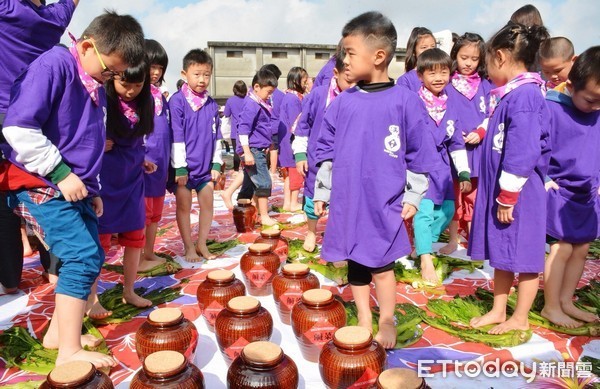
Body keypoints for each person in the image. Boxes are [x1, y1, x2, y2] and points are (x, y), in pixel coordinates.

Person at [1, 10, 145, 367]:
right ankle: (69, 352)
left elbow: (86, 142)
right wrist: (62, 172)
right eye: (109, 70)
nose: (111, 78)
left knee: (90, 257)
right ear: (86, 46)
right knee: (80, 257)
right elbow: (19, 130)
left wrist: (92, 188)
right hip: (41, 180)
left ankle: (57, 334)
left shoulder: (91, 83)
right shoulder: (54, 66)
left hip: (72, 185)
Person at [314, 11, 438, 349]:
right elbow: (324, 152)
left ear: (379, 56)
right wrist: (322, 191)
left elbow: (419, 154)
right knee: (355, 262)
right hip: (348, 201)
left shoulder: (404, 101)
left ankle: (386, 319)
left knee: (382, 265)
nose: (344, 60)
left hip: (384, 201)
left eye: (350, 53)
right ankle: (365, 318)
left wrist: (413, 197)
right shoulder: (343, 104)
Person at [468, 22, 551, 334]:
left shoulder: (526, 96)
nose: (486, 70)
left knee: (525, 257)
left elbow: (523, 150)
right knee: (503, 252)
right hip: (506, 194)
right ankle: (499, 308)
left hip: (520, 195)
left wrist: (508, 196)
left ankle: (521, 315)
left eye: (487, 61)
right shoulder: (510, 96)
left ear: (500, 56)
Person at [0, 0, 79, 295]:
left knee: (5, 204)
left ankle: (8, 280)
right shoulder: (55, 16)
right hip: (42, 118)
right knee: (50, 194)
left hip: (5, 116)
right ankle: (56, 272)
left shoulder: (6, 9)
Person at [88, 59, 156, 319]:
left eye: (137, 85)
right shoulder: (100, 99)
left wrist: (143, 160)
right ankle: (92, 298)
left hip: (133, 175)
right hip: (106, 175)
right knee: (100, 240)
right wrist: (96, 142)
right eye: (124, 84)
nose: (130, 91)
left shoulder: (145, 103)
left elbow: (137, 141)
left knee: (135, 237)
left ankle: (129, 290)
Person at [541, 46, 600, 328]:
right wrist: (544, 179)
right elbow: (537, 148)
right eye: (590, 100)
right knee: (562, 247)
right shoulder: (552, 107)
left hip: (588, 191)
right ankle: (551, 306)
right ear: (572, 85)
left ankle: (566, 300)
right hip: (558, 189)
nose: (596, 107)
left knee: (581, 247)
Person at [412, 48, 471, 283]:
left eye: (444, 72)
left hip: (443, 170)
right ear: (420, 76)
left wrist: (463, 172)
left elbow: (456, 141)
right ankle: (425, 258)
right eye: (432, 73)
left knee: (447, 211)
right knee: (424, 213)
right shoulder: (413, 102)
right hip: (420, 168)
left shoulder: (451, 105)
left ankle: (421, 242)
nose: (438, 78)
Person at [293, 50, 353, 252]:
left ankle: (337, 235)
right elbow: (303, 126)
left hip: (345, 158)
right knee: (313, 193)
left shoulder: (358, 97)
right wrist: (300, 155)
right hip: (317, 157)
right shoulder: (318, 95)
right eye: (348, 79)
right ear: (336, 73)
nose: (352, 85)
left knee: (342, 197)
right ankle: (311, 231)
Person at [440, 32, 492, 255]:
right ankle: (453, 239)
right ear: (455, 56)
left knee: (474, 197)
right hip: (454, 152)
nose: (468, 63)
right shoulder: (447, 84)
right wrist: (452, 133)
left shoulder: (486, 86)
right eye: (464, 57)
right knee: (453, 197)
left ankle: (473, 239)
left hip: (478, 151)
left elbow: (494, 113)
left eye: (474, 58)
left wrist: (481, 131)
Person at [169, 49, 223, 262]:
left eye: (207, 74)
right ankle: (188, 246)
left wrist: (217, 163)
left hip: (204, 169)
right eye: (197, 74)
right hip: (185, 169)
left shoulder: (210, 103)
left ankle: (202, 243)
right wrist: (180, 167)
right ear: (184, 74)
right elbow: (176, 135)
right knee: (184, 206)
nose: (202, 80)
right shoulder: (177, 101)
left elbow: (217, 135)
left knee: (207, 203)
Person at [141, 39, 172, 267]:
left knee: (155, 215)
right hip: (142, 163)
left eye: (160, 68)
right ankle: (137, 256)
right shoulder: (136, 95)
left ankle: (149, 252)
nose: (156, 72)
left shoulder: (160, 96)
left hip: (160, 163)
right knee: (142, 214)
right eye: (152, 66)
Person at [237, 69, 279, 227]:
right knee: (263, 182)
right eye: (268, 92)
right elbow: (243, 129)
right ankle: (264, 215)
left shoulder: (261, 104)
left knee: (249, 185)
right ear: (256, 87)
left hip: (258, 149)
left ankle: (247, 215)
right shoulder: (252, 105)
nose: (270, 96)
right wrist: (247, 152)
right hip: (252, 150)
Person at [278, 67, 308, 212]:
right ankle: (294, 202)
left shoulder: (289, 96)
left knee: (289, 175)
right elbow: (297, 123)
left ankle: (287, 203)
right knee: (295, 172)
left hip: (286, 140)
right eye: (304, 79)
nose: (306, 82)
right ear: (296, 81)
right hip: (291, 141)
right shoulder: (293, 99)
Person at [220, 80, 248, 210]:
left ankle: (236, 170)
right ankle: (241, 171)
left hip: (235, 130)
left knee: (236, 152)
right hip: (247, 131)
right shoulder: (248, 100)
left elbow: (226, 114)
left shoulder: (231, 101)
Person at [397, 27, 436, 92]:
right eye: (424, 47)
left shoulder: (443, 76)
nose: (430, 50)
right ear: (414, 52)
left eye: (433, 46)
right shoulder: (405, 80)